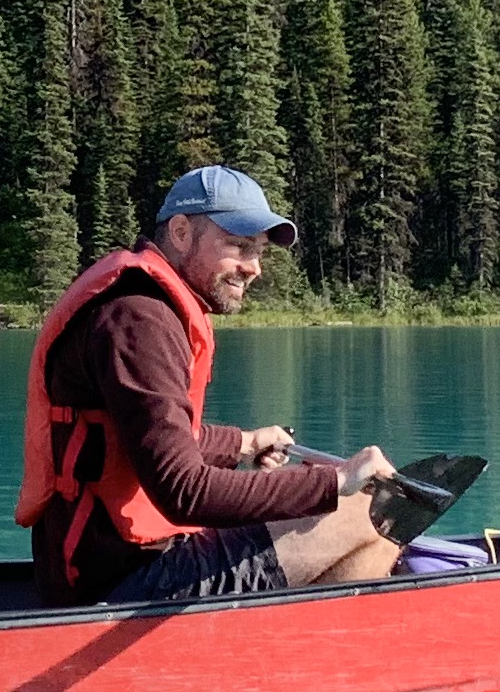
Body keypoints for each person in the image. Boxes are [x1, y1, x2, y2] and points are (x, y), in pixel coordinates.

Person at [20, 165, 400, 608]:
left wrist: (243, 444)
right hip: (121, 581)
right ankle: (308, 648)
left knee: (348, 508)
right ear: (181, 232)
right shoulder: (138, 319)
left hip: (113, 563)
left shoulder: (139, 307)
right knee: (373, 516)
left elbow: (153, 440)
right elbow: (185, 490)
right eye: (239, 246)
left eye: (259, 251)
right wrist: (337, 480)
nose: (253, 268)